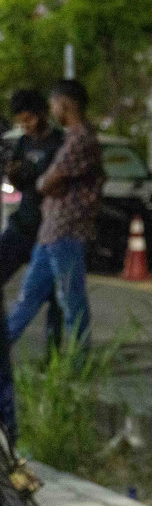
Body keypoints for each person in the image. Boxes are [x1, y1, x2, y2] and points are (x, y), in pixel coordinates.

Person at [8, 80, 102, 349]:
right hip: (49, 230)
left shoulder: (80, 139)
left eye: (53, 103)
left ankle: (77, 362)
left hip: (67, 230)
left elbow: (47, 182)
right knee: (28, 299)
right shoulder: (71, 138)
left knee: (70, 301)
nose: (51, 109)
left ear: (64, 104)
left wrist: (42, 182)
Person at [2, 88, 65, 346]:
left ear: (41, 113)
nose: (24, 125)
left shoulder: (58, 143)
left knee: (54, 296)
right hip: (23, 224)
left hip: (49, 229)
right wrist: (14, 176)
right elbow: (15, 183)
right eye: (20, 121)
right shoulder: (23, 143)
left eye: (28, 119)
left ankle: (53, 355)